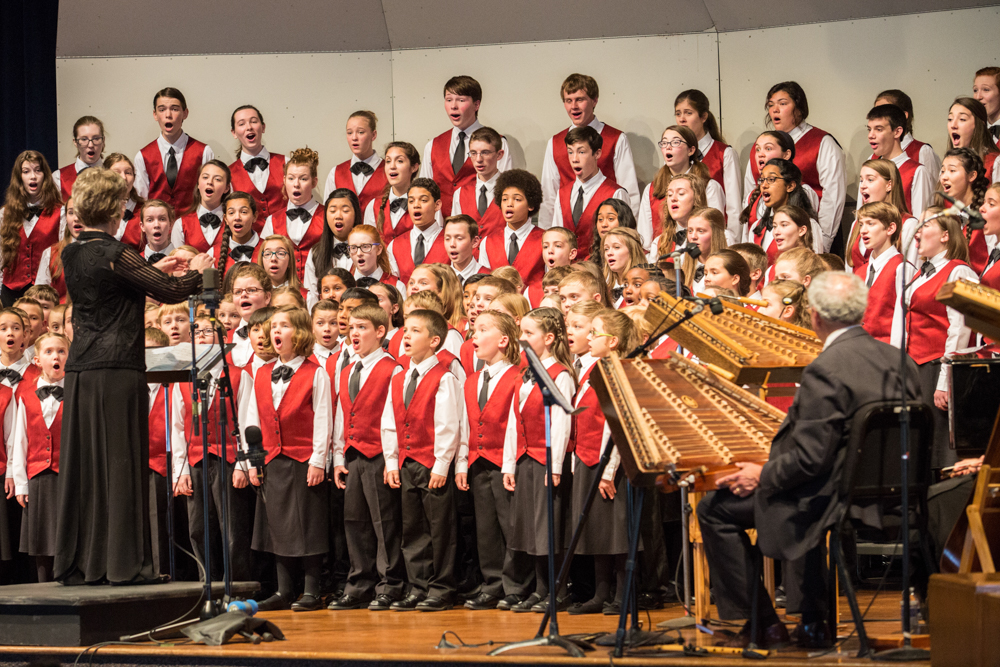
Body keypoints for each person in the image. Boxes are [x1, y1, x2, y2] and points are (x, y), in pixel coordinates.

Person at [697, 272, 921, 649]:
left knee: (714, 509)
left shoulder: (826, 368)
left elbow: (808, 460)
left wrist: (762, 474)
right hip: (897, 493)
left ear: (814, 316)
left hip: (833, 498)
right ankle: (812, 622)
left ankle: (763, 623)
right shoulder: (901, 360)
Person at [54, 167, 212, 585]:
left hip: (81, 371)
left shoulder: (72, 251)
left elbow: (130, 278)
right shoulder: (115, 252)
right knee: (122, 466)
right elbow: (171, 292)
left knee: (88, 469)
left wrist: (162, 262)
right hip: (118, 370)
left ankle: (85, 562)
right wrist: (199, 267)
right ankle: (125, 565)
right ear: (114, 207)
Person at [243, 306, 332, 611]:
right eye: (274, 326)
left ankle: (311, 589)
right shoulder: (261, 373)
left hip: (303, 458)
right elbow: (253, 422)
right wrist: (254, 462)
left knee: (308, 526)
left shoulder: (314, 372)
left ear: (301, 333)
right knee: (277, 527)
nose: (277, 331)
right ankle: (284, 591)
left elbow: (323, 418)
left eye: (285, 325)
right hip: (272, 460)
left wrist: (318, 460)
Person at [381, 309, 461, 611]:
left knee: (440, 528)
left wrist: (442, 464)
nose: (407, 336)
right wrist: (391, 461)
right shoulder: (399, 376)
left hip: (431, 462)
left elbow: (448, 424)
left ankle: (441, 587)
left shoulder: (444, 377)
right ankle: (418, 585)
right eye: (406, 331)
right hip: (407, 462)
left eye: (415, 331)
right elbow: (389, 420)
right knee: (412, 528)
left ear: (434, 340)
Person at [329, 304, 405, 610]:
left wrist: (391, 460)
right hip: (353, 455)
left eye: (362, 327)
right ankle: (359, 583)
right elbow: (341, 415)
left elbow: (396, 419)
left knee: (384, 522)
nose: (354, 332)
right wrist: (337, 458)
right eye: (352, 327)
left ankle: (390, 584)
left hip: (379, 454)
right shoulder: (347, 369)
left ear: (380, 332)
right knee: (354, 521)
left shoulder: (392, 368)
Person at [506, 308, 576, 612]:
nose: (522, 339)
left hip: (547, 461)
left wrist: (555, 465)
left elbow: (562, 422)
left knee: (549, 527)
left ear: (548, 338)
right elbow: (514, 421)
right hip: (526, 459)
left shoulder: (560, 374)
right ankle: (538, 587)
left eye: (529, 334)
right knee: (531, 530)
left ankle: (557, 589)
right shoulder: (526, 373)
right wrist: (510, 463)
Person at [568, 309, 634, 614]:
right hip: (586, 459)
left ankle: (623, 594)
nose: (590, 337)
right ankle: (601, 593)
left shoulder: (618, 372)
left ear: (614, 341)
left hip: (609, 465)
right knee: (596, 529)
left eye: (596, 333)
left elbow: (616, 426)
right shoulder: (593, 370)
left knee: (616, 531)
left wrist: (608, 471)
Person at [747, 82, 846, 252]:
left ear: (799, 108)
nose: (775, 110)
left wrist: (823, 242)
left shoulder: (821, 142)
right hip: (766, 235)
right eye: (771, 105)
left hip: (809, 237)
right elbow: (749, 196)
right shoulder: (760, 147)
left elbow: (833, 196)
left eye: (783, 104)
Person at [539, 73, 639, 225]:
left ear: (594, 101)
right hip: (566, 232)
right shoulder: (555, 142)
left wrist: (630, 236)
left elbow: (629, 191)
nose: (574, 107)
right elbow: (548, 197)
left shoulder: (615, 139)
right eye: (568, 101)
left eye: (580, 99)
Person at [11, 332, 68, 582]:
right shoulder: (25, 394)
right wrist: (22, 483)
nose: (56, 356)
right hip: (38, 478)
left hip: (67, 477)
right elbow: (19, 441)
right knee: (42, 541)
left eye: (61, 351)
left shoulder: (77, 392)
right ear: (36, 360)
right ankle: (44, 589)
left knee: (67, 536)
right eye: (49, 352)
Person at [420, 76, 514, 216]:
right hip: (443, 228)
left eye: (461, 100)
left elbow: (506, 190)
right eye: (449, 99)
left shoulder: (498, 143)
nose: (453, 106)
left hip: (484, 225)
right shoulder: (433, 145)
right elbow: (424, 192)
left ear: (476, 105)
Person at [551, 127, 629, 260]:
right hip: (569, 275)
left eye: (581, 152)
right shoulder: (562, 193)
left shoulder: (615, 193)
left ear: (597, 153)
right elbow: (556, 237)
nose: (574, 159)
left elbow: (624, 242)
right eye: (570, 152)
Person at [674, 90, 742, 235]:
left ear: (704, 116)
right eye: (678, 113)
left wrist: (732, 242)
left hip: (716, 235)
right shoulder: (676, 154)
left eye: (688, 113)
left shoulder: (724, 154)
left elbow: (733, 206)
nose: (682, 119)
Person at [134, 88, 214, 212]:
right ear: (155, 114)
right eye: (162, 109)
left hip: (191, 227)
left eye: (174, 109)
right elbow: (141, 200)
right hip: (158, 227)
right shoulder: (142, 156)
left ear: (185, 113)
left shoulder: (204, 152)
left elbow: (210, 198)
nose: (168, 115)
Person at [1, 151, 63, 307]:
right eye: (26, 171)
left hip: (45, 292)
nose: (33, 176)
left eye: (38, 170)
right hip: (11, 291)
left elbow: (63, 255)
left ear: (45, 176)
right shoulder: (5, 213)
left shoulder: (60, 212)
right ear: (19, 177)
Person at [862, 104, 934, 218]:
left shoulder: (916, 172)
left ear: (897, 132)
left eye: (879, 129)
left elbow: (921, 220)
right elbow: (860, 212)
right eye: (869, 129)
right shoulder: (870, 165)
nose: (870, 135)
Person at [478, 169, 545, 285]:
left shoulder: (545, 240)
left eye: (517, 199)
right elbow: (485, 283)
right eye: (504, 199)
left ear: (531, 205)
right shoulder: (488, 242)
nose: (509, 204)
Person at [228, 105, 285, 226]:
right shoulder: (228, 174)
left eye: (253, 121)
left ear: (263, 127)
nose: (249, 127)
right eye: (241, 124)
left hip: (286, 240)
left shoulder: (287, 163)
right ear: (234, 133)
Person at [387, 179, 448, 284]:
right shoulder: (395, 245)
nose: (416, 205)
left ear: (437, 205)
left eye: (423, 200)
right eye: (411, 201)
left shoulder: (450, 242)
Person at [451, 127, 507, 239]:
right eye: (473, 153)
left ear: (499, 154)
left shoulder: (512, 190)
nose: (478, 159)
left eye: (485, 153)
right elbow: (456, 234)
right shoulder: (460, 193)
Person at [325, 111, 386, 211]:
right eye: (349, 133)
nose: (354, 138)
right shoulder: (335, 173)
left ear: (373, 135)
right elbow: (329, 213)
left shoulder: (389, 171)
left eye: (361, 132)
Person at [874, 89, 942, 177]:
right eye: (875, 113)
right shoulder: (873, 158)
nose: (877, 119)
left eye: (884, 112)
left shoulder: (922, 152)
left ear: (903, 115)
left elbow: (933, 189)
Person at [169, 160, 230, 253]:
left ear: (226, 188)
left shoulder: (233, 222)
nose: (210, 182)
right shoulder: (181, 225)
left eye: (217, 179)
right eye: (205, 177)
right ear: (198, 184)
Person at [54, 117, 106, 202]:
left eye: (96, 138)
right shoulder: (58, 178)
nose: (90, 145)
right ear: (75, 142)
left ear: (103, 140)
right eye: (84, 139)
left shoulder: (113, 174)